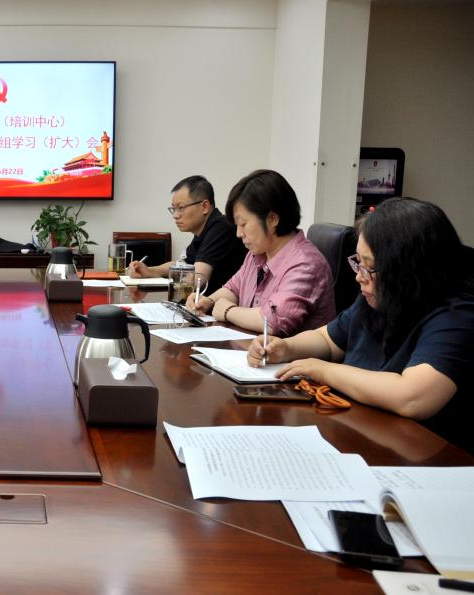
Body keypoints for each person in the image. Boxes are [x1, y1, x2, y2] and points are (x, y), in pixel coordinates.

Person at [248, 197, 474, 453]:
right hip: (358, 433)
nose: (359, 276)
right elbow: (328, 340)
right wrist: (286, 348)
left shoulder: (457, 315)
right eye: (359, 262)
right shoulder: (378, 297)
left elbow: (412, 397)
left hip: (418, 457)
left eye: (370, 267)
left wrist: (322, 371)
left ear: (408, 269)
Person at [191, 169, 335, 336]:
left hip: (289, 353)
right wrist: (208, 301)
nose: (238, 233)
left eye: (243, 224)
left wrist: (227, 311)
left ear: (272, 219)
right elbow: (234, 289)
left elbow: (273, 322)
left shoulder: (306, 264)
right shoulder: (257, 254)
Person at [126, 175, 245, 289]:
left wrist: (170, 279)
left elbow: (197, 280)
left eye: (181, 207)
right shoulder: (203, 231)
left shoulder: (221, 227)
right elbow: (183, 265)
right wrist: (149, 271)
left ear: (204, 206)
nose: (175, 215)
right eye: (174, 209)